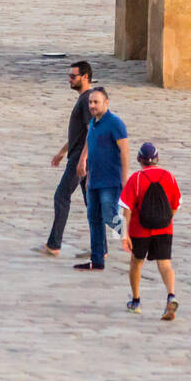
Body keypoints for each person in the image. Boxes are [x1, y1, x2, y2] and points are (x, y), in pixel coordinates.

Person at [39, 60, 96, 256]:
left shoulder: (87, 100)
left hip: (80, 160)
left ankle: (54, 245)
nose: (69, 79)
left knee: (61, 196)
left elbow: (91, 133)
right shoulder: (85, 98)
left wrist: (82, 160)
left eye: (73, 76)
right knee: (91, 202)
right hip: (79, 157)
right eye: (69, 76)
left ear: (85, 77)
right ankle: (100, 247)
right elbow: (78, 133)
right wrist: (63, 151)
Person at [119, 142, 182, 320]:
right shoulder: (168, 176)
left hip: (140, 229)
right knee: (165, 264)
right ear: (157, 159)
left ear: (139, 159)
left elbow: (126, 208)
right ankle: (171, 295)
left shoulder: (136, 178)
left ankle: (136, 301)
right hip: (164, 228)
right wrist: (165, 218)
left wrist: (125, 234)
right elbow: (176, 204)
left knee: (137, 262)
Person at [73, 87, 128, 272]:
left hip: (110, 181)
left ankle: (132, 235)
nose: (92, 105)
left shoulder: (115, 123)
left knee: (109, 215)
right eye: (90, 102)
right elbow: (90, 143)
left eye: (96, 102)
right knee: (93, 218)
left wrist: (125, 178)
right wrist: (83, 162)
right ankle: (97, 260)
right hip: (94, 180)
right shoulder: (93, 124)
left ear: (106, 103)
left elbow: (125, 151)